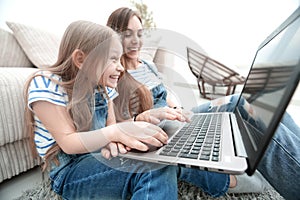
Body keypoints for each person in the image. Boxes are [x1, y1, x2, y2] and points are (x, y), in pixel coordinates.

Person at [106, 7, 299, 200]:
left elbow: (164, 94)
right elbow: (117, 125)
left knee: (243, 102)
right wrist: (144, 118)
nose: (135, 41)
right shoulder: (114, 73)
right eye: (128, 34)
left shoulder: (147, 65)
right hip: (156, 128)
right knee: (241, 115)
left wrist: (176, 109)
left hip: (176, 117)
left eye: (139, 34)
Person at [23, 20, 191, 199]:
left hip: (100, 157)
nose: (120, 67)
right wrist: (114, 134)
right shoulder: (46, 83)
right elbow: (69, 143)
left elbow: (111, 128)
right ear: (81, 59)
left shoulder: (103, 89)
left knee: (162, 152)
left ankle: (222, 181)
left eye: (120, 59)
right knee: (152, 167)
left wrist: (141, 121)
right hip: (69, 172)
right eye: (113, 59)